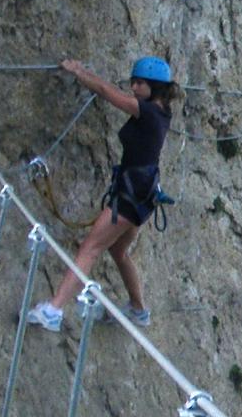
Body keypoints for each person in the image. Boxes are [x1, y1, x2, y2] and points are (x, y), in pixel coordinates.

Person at [24, 56, 174, 331]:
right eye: (133, 81)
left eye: (139, 83)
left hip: (131, 197)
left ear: (154, 86)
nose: (133, 86)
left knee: (90, 248)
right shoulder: (161, 112)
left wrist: (79, 71)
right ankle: (138, 310)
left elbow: (107, 93)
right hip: (142, 193)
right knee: (118, 250)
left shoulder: (149, 112)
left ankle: (53, 311)